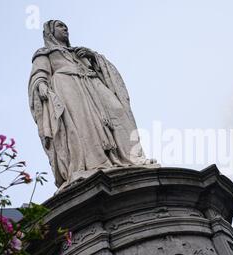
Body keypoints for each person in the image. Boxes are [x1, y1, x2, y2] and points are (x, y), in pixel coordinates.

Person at [28, 20, 154, 188]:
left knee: (117, 112)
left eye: (66, 26)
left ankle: (130, 158)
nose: (65, 28)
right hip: (68, 86)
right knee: (83, 125)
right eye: (59, 26)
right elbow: (38, 74)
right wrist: (41, 85)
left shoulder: (79, 52)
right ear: (50, 31)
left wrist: (93, 56)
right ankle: (92, 164)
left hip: (93, 84)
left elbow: (101, 69)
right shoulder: (45, 53)